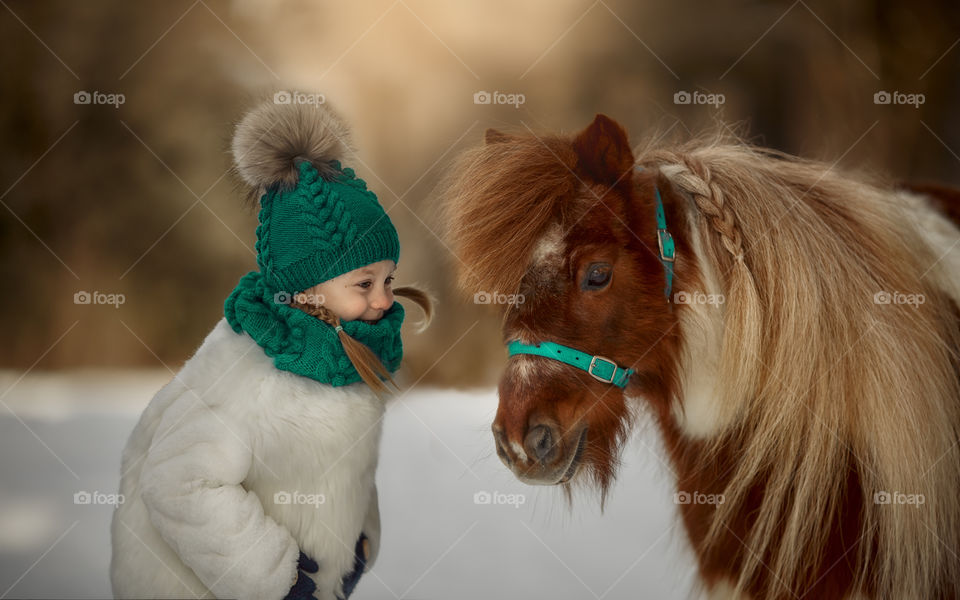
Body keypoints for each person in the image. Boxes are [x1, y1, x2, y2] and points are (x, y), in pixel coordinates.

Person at [109, 96, 433, 600]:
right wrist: (274, 578)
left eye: (389, 279)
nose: (385, 300)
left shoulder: (339, 353)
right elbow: (177, 482)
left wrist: (356, 541)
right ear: (306, 289)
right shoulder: (250, 366)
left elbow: (340, 463)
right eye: (364, 283)